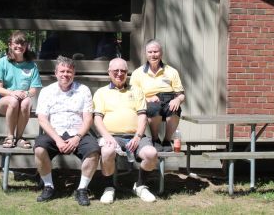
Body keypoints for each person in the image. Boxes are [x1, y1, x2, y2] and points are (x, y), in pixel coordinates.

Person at [34, 56, 100, 206]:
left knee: (94, 151)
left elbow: (88, 119)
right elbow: (43, 119)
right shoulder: (46, 91)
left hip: (78, 132)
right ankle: (48, 186)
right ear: (56, 73)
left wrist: (77, 137)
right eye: (62, 71)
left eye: (69, 71)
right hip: (54, 133)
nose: (65, 74)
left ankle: (82, 189)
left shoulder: (83, 90)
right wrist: (57, 139)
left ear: (74, 73)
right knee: (39, 149)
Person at [93, 58, 157, 203]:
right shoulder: (101, 92)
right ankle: (109, 188)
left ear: (127, 73)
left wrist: (137, 136)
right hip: (112, 136)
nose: (119, 74)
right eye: (116, 71)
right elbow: (97, 119)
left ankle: (140, 186)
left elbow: (142, 117)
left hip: (135, 135)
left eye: (123, 71)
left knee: (151, 154)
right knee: (107, 151)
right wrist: (107, 136)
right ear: (109, 72)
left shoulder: (137, 91)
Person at [130, 39, 185, 152]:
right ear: (146, 54)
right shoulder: (138, 73)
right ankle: (155, 139)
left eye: (156, 51)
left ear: (161, 53)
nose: (153, 55)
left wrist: (178, 100)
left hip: (169, 99)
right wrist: (147, 99)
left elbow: (181, 94)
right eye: (150, 52)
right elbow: (133, 95)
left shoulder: (172, 71)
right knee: (154, 108)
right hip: (150, 102)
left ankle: (166, 140)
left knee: (175, 109)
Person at [0, 30, 42, 148]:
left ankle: (19, 137)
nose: (19, 46)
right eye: (16, 43)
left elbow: (34, 90)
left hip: (22, 101)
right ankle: (10, 137)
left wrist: (26, 94)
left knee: (27, 102)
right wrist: (12, 93)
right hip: (3, 102)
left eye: (23, 44)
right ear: (10, 45)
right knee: (13, 101)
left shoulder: (32, 65)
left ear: (26, 46)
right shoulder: (1, 62)